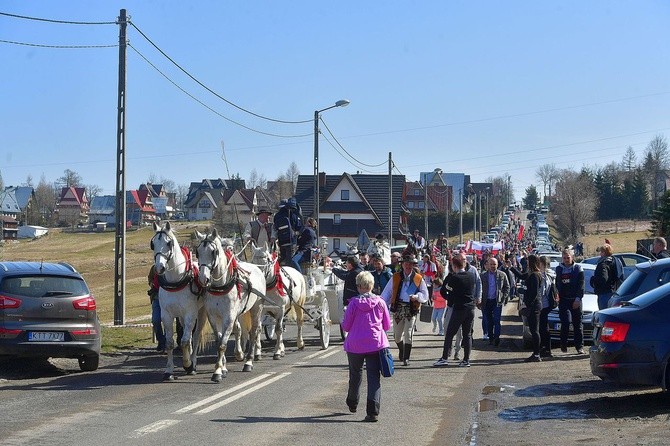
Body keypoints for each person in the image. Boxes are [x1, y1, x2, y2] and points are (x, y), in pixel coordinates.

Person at [341, 271, 391, 423]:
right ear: (371, 285)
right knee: (374, 377)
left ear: (359, 286)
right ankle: (372, 412)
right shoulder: (381, 302)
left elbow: (347, 326)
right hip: (375, 344)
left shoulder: (353, 303)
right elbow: (387, 325)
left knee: (355, 374)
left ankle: (352, 402)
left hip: (355, 344)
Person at [380, 254, 429, 366]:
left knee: (408, 333)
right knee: (397, 336)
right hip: (398, 308)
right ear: (402, 265)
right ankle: (402, 350)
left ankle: (406, 358)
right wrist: (381, 303)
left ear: (412, 265)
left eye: (410, 264)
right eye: (405, 264)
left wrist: (416, 297)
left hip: (411, 308)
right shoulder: (395, 277)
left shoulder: (418, 278)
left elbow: (425, 294)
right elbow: (387, 292)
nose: (407, 266)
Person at [433, 255, 476, 367]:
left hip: (459, 308)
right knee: (467, 334)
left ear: (454, 266)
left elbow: (446, 288)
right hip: (470, 308)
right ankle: (466, 360)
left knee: (449, 334)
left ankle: (444, 358)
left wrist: (450, 296)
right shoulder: (471, 275)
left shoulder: (455, 278)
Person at [555, 248, 585, 354]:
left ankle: (579, 347)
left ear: (572, 257)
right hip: (563, 300)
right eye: (564, 258)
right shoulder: (559, 269)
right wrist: (557, 296)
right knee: (565, 323)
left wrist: (578, 299)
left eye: (568, 258)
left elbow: (581, 285)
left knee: (577, 325)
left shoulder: (578, 268)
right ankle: (563, 344)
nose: (566, 260)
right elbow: (556, 285)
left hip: (575, 300)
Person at [479, 257, 510, 347]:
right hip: (486, 301)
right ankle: (491, 338)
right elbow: (479, 288)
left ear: (497, 265)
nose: (493, 266)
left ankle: (497, 337)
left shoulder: (502, 275)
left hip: (497, 301)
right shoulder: (483, 276)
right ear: (488, 265)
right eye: (491, 264)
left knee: (496, 320)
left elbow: (507, 287)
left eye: (494, 264)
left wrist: (503, 298)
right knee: (489, 321)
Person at [521, 254, 543, 362]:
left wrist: (527, 304)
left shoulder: (535, 275)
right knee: (534, 330)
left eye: (528, 261)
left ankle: (537, 353)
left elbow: (534, 293)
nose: (527, 263)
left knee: (535, 330)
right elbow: (522, 276)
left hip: (534, 306)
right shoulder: (532, 274)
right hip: (534, 305)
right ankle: (536, 353)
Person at [538, 256, 559, 358]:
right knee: (544, 327)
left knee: (543, 328)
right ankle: (547, 349)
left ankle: (545, 349)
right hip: (548, 304)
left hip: (544, 304)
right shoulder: (552, 274)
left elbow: (543, 291)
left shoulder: (545, 275)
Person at [273, 197, 303, 266]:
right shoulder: (293, 214)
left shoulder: (277, 215)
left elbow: (275, 227)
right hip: (292, 241)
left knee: (283, 259)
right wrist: (297, 233)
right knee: (291, 261)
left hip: (281, 242)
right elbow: (299, 227)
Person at [591, 243, 621, 310]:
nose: (600, 254)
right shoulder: (615, 261)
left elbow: (603, 278)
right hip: (614, 291)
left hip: (604, 293)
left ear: (604, 253)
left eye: (601, 252)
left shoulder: (603, 264)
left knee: (604, 313)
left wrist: (593, 280)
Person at [147, 265, 166, 353]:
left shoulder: (170, 267)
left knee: (167, 321)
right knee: (155, 320)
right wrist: (152, 284)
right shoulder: (154, 268)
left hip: (167, 299)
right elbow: (150, 278)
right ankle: (161, 341)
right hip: (156, 298)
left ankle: (165, 343)